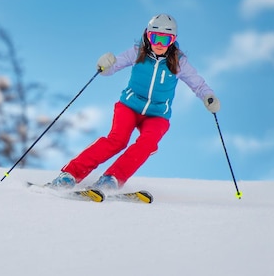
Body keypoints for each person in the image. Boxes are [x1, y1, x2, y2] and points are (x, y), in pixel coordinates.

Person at [47, 13, 220, 191]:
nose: (159, 44)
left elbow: (198, 84)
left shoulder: (179, 62)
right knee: (117, 140)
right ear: (147, 35)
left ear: (173, 40)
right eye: (155, 38)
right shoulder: (137, 52)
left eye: (165, 39)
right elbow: (111, 68)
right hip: (129, 106)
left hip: (157, 114)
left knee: (148, 144)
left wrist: (208, 96)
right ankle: (70, 174)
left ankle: (111, 179)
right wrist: (104, 64)